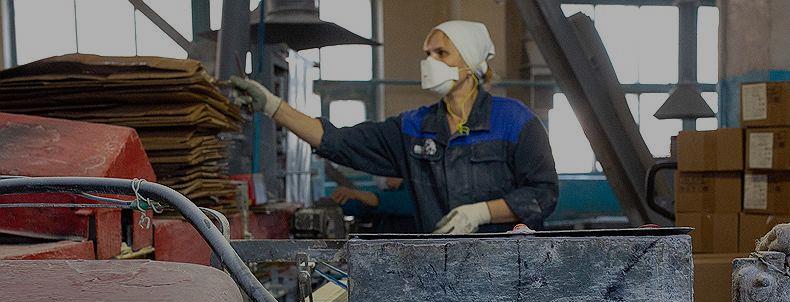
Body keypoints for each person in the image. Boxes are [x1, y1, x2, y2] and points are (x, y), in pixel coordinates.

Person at [231, 20, 559, 234]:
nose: (429, 62)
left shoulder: (515, 121)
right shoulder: (414, 127)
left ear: (470, 61)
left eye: (441, 53)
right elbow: (339, 141)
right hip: (441, 271)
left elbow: (543, 194)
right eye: (427, 54)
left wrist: (481, 213)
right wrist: (272, 106)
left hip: (507, 271)